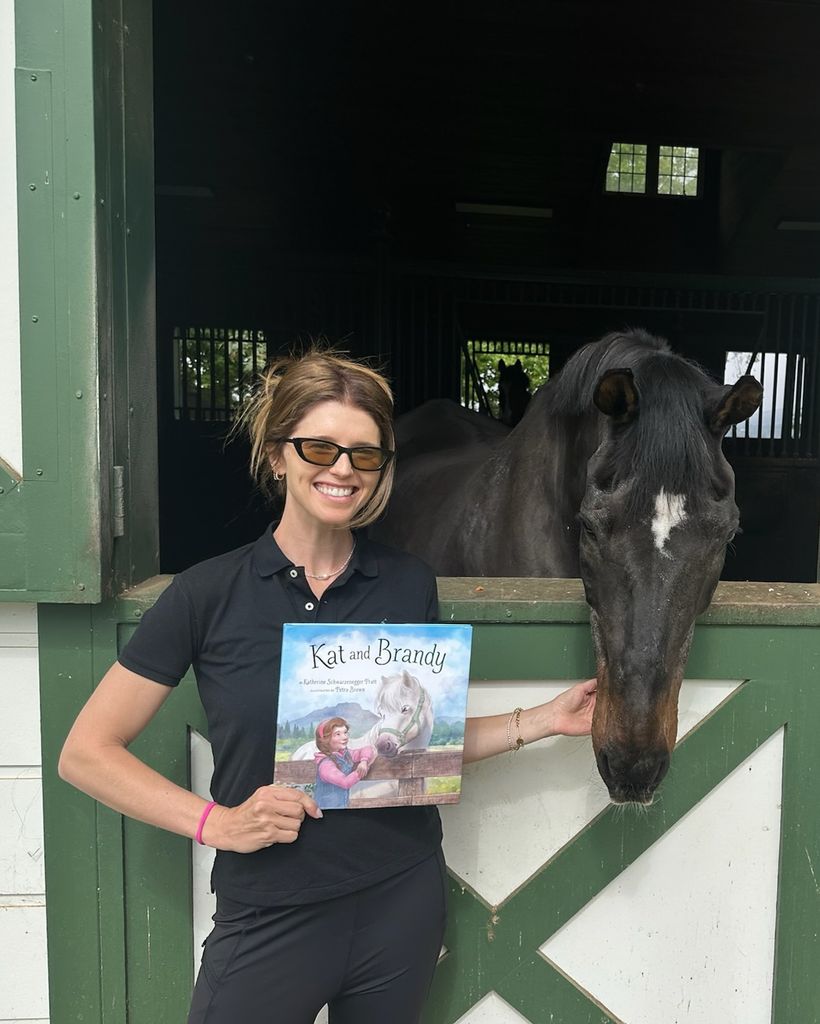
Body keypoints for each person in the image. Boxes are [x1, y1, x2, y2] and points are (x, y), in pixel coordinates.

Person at [58, 349, 597, 1024]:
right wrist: (215, 822)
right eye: (320, 446)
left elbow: (415, 749)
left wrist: (543, 719)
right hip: (270, 911)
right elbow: (85, 753)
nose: (343, 468)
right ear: (279, 455)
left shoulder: (407, 584)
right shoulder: (207, 594)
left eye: (364, 455)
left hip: (399, 903)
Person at [313, 718, 373, 809]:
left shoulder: (345, 754)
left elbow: (367, 749)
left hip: (341, 806)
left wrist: (364, 761)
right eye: (338, 734)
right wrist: (365, 768)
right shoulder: (325, 765)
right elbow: (345, 783)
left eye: (345, 733)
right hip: (326, 810)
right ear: (325, 739)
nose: (344, 737)